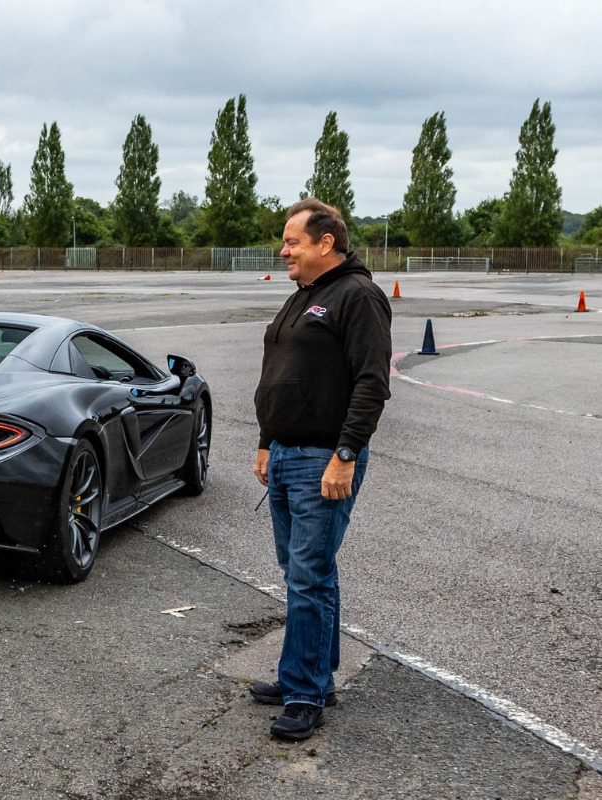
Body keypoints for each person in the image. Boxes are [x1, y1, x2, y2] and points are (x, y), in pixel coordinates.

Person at [250, 197, 392, 741]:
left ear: (325, 243)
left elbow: (372, 383)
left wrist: (346, 454)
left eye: (292, 242)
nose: (283, 251)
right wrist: (267, 442)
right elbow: (279, 374)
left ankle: (305, 693)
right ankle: (310, 676)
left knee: (308, 574)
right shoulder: (301, 296)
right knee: (304, 572)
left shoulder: (358, 296)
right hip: (286, 453)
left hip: (324, 459)